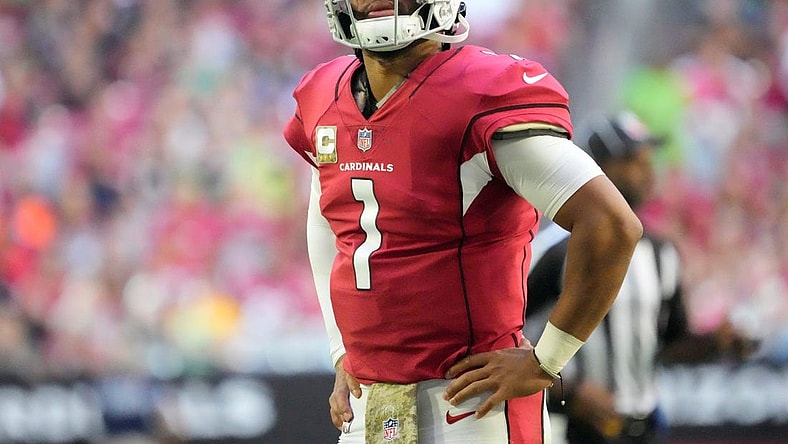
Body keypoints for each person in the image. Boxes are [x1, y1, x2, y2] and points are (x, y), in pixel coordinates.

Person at [283, 1, 642, 443]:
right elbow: (328, 220)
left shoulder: (479, 90)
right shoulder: (324, 92)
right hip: (369, 406)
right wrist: (343, 350)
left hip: (472, 405)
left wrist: (546, 360)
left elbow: (610, 223)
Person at [526, 110, 753, 444]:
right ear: (597, 168)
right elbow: (506, 336)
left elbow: (669, 343)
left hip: (641, 428)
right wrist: (569, 393)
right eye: (633, 160)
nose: (648, 170)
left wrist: (715, 343)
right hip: (571, 430)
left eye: (649, 159)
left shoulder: (662, 253)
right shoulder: (555, 251)